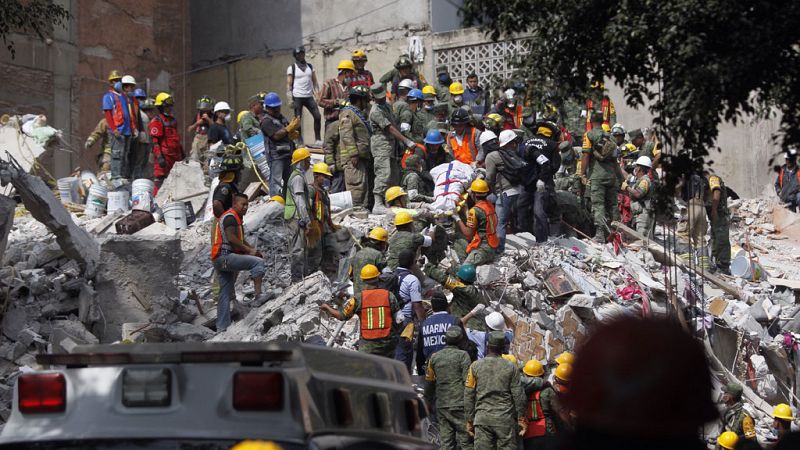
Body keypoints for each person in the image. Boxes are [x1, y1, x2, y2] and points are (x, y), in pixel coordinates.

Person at [210, 193, 266, 332]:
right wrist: (249, 251)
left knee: (225, 292)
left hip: (219, 259)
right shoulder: (230, 218)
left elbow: (238, 239)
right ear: (235, 204)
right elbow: (231, 239)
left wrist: (251, 250)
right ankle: (258, 296)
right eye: (243, 204)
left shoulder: (234, 218)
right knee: (257, 263)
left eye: (247, 204)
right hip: (225, 257)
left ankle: (222, 327)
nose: (245, 207)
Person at [464, 330, 528, 450]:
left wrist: (469, 420)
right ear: (503, 348)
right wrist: (521, 418)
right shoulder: (511, 368)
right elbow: (519, 396)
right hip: (505, 421)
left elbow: (468, 395)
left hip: (482, 420)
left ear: (487, 346)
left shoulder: (475, 366)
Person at [320, 264, 401, 358]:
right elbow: (400, 320)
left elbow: (342, 316)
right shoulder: (389, 295)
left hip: (368, 346)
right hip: (387, 344)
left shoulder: (358, 298)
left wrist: (327, 307)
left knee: (367, 370)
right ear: (378, 277)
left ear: (362, 280)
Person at [423, 326, 473, 450]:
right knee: (466, 441)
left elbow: (429, 382)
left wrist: (427, 400)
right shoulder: (463, 356)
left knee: (446, 443)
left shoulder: (434, 357)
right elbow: (467, 382)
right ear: (460, 340)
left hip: (442, 405)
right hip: (459, 405)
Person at [369, 83, 415, 213]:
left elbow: (395, 124)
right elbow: (389, 127)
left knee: (394, 175)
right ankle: (377, 204)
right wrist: (406, 140)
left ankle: (391, 202)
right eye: (379, 97)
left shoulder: (387, 106)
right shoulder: (375, 111)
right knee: (384, 173)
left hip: (392, 145)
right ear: (373, 96)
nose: (382, 99)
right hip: (381, 146)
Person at [579, 112, 621, 242]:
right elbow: (615, 160)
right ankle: (615, 233)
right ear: (603, 121)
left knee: (598, 205)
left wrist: (582, 173)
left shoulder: (589, 135)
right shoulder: (611, 137)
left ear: (591, 121)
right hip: (611, 176)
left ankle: (600, 234)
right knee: (613, 204)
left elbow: (585, 155)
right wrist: (620, 177)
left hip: (597, 176)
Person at [519, 124, 560, 242]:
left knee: (521, 207)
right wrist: (544, 177)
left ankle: (523, 234)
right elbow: (555, 166)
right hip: (543, 182)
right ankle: (542, 239)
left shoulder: (526, 142)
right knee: (540, 210)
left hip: (526, 181)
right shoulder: (552, 145)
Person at [337, 85, 373, 208]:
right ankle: (356, 211)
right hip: (353, 159)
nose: (367, 103)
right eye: (365, 100)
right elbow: (346, 134)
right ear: (359, 100)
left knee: (363, 187)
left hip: (361, 157)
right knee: (356, 187)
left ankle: (361, 210)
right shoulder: (348, 113)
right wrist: (353, 153)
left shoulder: (358, 114)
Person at [485, 130, 520, 252]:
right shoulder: (517, 153)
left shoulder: (492, 156)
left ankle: (499, 249)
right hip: (520, 191)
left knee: (500, 222)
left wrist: (487, 189)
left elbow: (489, 178)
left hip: (505, 193)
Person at [261, 92, 300, 196]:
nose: (277, 110)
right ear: (267, 108)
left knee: (289, 181)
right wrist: (288, 129)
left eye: (278, 107)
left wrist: (292, 133)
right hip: (276, 157)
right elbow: (276, 136)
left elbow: (287, 130)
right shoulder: (266, 121)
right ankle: (276, 203)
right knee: (276, 182)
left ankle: (287, 203)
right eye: (274, 108)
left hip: (287, 155)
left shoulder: (281, 118)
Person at [427, 263, 486, 331]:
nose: (456, 278)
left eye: (457, 277)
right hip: (468, 324)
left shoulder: (465, 290)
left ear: (460, 280)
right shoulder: (470, 288)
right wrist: (450, 269)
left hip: (468, 327)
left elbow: (444, 279)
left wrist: (429, 268)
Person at [394, 249, 426, 374]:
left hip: (391, 317)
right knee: (405, 350)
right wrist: (423, 323)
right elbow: (417, 304)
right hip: (405, 319)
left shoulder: (391, 275)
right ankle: (402, 379)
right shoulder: (412, 279)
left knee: (394, 347)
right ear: (413, 263)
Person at [453, 179, 499, 266]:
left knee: (464, 270)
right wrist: (466, 210)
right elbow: (478, 220)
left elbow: (468, 234)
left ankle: (464, 264)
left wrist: (456, 218)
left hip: (482, 249)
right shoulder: (489, 205)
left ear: (473, 194)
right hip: (492, 246)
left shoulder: (475, 210)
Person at [284, 148, 313, 282]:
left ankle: (303, 277)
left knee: (301, 248)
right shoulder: (297, 178)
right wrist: (306, 219)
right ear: (301, 161)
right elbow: (299, 200)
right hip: (296, 217)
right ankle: (296, 279)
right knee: (298, 249)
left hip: (296, 216)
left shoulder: (298, 176)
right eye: (307, 160)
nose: (309, 163)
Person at [102, 74, 137, 179]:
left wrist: (132, 128)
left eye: (118, 80)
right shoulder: (108, 96)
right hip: (118, 130)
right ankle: (116, 176)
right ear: (110, 83)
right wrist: (114, 129)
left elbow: (129, 115)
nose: (117, 83)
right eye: (114, 81)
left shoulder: (124, 97)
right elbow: (108, 114)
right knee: (117, 155)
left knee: (125, 155)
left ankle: (123, 176)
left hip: (127, 131)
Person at [520, 359, 561, 450]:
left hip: (526, 433)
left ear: (525, 375)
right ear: (542, 375)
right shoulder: (548, 390)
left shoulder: (520, 391)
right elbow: (558, 412)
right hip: (547, 432)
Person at [286, 46, 321, 146]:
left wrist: (317, 94)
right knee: (298, 120)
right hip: (297, 96)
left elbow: (315, 82)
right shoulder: (292, 68)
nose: (300, 56)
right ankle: (300, 141)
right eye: (298, 54)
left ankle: (318, 139)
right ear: (295, 56)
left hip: (309, 96)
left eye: (302, 53)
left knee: (317, 116)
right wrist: (289, 97)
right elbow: (289, 83)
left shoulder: (310, 67)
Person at [150, 92, 184, 191]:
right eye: (167, 106)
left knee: (175, 182)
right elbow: (155, 142)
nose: (169, 108)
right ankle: (157, 203)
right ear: (161, 107)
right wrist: (159, 157)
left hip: (175, 156)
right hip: (164, 157)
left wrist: (182, 154)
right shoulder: (157, 121)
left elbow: (177, 139)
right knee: (160, 181)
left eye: (170, 106)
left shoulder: (173, 120)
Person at [418, 293, 460, 363]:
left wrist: (420, 371)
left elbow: (420, 351)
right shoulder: (455, 321)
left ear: (432, 307)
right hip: (451, 364)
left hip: (430, 366)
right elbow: (464, 345)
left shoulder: (424, 324)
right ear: (447, 306)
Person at [705, 172, 732, 274]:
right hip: (716, 215)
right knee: (715, 239)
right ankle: (716, 264)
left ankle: (723, 266)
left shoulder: (712, 178)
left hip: (719, 215)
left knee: (721, 239)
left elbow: (716, 194)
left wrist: (714, 210)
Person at [624, 156, 655, 237]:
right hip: (641, 213)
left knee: (642, 238)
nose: (635, 169)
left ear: (640, 169)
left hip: (644, 214)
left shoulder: (645, 180)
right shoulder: (640, 179)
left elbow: (638, 194)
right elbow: (627, 176)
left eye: (636, 166)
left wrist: (627, 187)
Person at [352, 227, 388, 294]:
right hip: (373, 295)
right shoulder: (378, 255)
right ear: (382, 243)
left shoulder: (357, 254)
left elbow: (351, 276)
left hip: (358, 295)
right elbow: (387, 276)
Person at [318, 59, 354, 127]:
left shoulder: (349, 88)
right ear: (345, 72)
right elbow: (320, 101)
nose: (352, 76)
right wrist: (336, 102)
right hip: (332, 123)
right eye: (351, 73)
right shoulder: (329, 83)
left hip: (346, 123)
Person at [128, 88, 152, 180]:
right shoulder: (136, 112)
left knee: (144, 163)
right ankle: (135, 179)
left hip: (146, 142)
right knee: (138, 162)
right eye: (138, 98)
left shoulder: (143, 114)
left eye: (142, 98)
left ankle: (141, 180)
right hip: (139, 143)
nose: (140, 101)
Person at [187, 95, 214, 169]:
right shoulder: (197, 116)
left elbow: (216, 127)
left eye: (206, 109)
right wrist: (197, 123)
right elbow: (189, 129)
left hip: (209, 140)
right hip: (198, 139)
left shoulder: (213, 116)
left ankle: (206, 173)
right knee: (194, 157)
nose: (204, 111)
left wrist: (208, 119)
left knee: (208, 159)